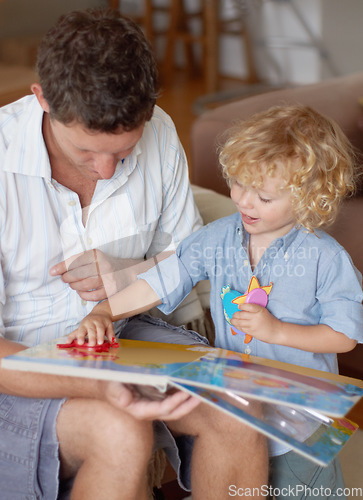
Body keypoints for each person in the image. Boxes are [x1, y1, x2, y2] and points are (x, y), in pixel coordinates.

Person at [0, 8, 268, 500]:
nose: (105, 171)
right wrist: (99, 384)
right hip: (19, 365)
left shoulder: (161, 132)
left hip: (122, 338)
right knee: (119, 430)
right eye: (85, 152)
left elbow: (187, 260)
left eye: (123, 153)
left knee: (241, 402)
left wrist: (127, 276)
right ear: (42, 99)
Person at [72, 104, 363, 499]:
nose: (243, 201)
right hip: (243, 412)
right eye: (239, 183)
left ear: (311, 197)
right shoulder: (220, 238)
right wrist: (106, 310)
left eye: (263, 195)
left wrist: (276, 330)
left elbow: (344, 336)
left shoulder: (325, 258)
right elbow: (162, 280)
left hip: (306, 425)